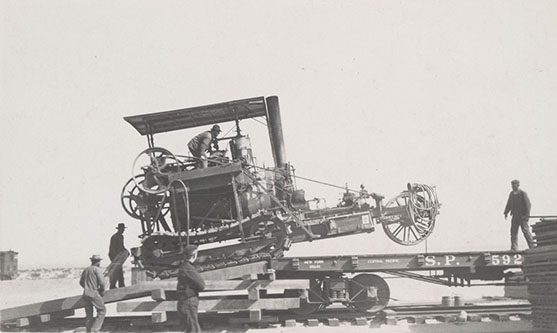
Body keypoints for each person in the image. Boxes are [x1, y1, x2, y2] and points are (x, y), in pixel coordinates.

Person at [176, 244, 205, 333]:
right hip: (189, 301)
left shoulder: (182, 267)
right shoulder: (189, 268)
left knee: (189, 328)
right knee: (194, 329)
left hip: (183, 301)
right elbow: (201, 285)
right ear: (194, 255)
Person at [504, 179, 535, 251]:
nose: (512, 186)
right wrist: (506, 212)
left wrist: (527, 216)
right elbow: (508, 204)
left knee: (525, 231)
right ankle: (514, 248)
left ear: (518, 185)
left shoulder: (522, 193)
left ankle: (532, 246)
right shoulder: (511, 194)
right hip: (515, 216)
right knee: (513, 232)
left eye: (514, 184)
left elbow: (528, 205)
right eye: (512, 185)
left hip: (522, 216)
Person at [80, 255, 106, 333]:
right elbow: (102, 282)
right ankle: (95, 330)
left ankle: (88, 331)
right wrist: (102, 290)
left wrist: (87, 287)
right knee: (102, 310)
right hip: (94, 293)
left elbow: (81, 282)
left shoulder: (86, 269)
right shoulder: (97, 270)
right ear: (98, 262)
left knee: (89, 315)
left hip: (85, 294)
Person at [108, 223, 127, 289]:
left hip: (114, 255)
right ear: (120, 229)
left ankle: (118, 285)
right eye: (123, 229)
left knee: (118, 270)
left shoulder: (115, 236)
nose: (123, 230)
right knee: (117, 270)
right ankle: (117, 285)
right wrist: (125, 252)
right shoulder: (119, 237)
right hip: (115, 255)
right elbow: (120, 247)